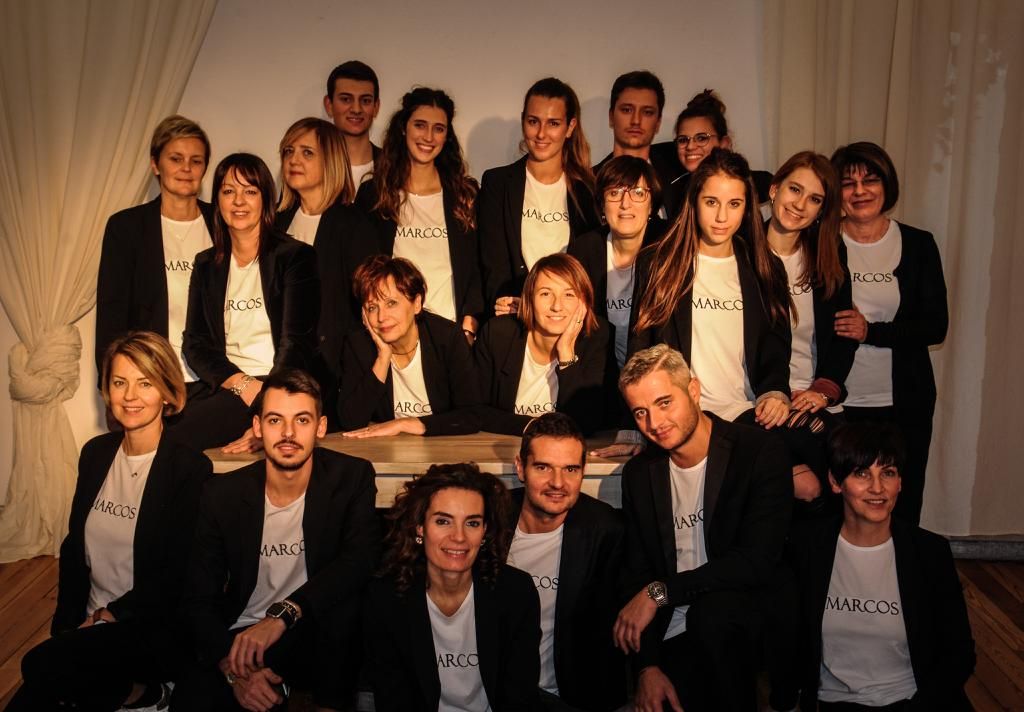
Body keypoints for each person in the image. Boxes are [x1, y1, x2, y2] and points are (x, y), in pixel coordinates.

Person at [10, 332, 212, 712]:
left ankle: (148, 694)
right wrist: (65, 630)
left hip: (147, 625)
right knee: (31, 697)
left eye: (145, 383)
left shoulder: (188, 468)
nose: (130, 395)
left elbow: (176, 574)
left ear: (167, 392)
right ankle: (136, 696)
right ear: (107, 390)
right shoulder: (95, 453)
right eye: (120, 382)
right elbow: (74, 550)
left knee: (38, 666)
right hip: (91, 623)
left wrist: (110, 616)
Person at [173, 369, 379, 712]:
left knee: (345, 614)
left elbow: (360, 560)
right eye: (274, 420)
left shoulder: (351, 477)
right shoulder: (222, 493)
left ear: (321, 427)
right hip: (243, 631)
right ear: (257, 427)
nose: (288, 433)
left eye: (302, 420)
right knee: (191, 699)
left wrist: (285, 614)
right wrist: (233, 670)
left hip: (312, 626)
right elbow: (197, 596)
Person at [613, 344, 792, 712]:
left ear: (693, 390)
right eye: (641, 412)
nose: (655, 423)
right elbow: (638, 575)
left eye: (664, 403)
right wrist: (648, 667)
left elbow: (755, 561)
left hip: (743, 621)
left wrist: (661, 592)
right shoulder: (639, 474)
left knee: (713, 617)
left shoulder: (757, 451)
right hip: (674, 627)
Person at [788, 421, 975, 710]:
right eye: (861, 473)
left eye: (887, 473)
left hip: (914, 701)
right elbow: (787, 643)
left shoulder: (929, 552)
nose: (877, 488)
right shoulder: (807, 548)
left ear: (899, 482)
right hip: (834, 702)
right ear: (836, 482)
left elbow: (959, 653)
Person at [629, 147, 793, 430]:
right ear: (694, 201)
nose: (721, 217)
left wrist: (775, 392)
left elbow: (775, 345)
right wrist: (633, 429)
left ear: (747, 207)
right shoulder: (658, 262)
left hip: (749, 413)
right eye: (711, 202)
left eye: (734, 204)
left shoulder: (765, 266)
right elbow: (640, 349)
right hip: (680, 418)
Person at [830, 142, 948, 525]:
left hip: (904, 401)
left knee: (902, 503)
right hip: (838, 402)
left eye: (870, 180)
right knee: (837, 506)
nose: (860, 191)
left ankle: (903, 565)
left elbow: (936, 325)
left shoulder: (918, 244)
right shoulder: (821, 242)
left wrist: (871, 331)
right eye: (848, 183)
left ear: (887, 185)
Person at [364, 463, 541, 712]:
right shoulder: (386, 598)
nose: (459, 537)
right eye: (443, 521)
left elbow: (519, 696)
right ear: (419, 527)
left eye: (472, 523)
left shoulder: (516, 593)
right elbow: (394, 699)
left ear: (485, 531)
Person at [175, 153, 320, 453]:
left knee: (178, 439)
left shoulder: (295, 257)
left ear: (265, 199)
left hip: (280, 385)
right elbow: (195, 343)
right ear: (217, 201)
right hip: (231, 385)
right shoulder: (206, 264)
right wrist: (241, 383)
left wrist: (269, 409)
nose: (238, 201)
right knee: (163, 427)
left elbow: (296, 345)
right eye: (229, 191)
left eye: (250, 191)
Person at [506, 413, 627, 711]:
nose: (557, 483)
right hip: (494, 694)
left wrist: (655, 596)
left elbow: (646, 592)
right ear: (520, 467)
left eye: (570, 469)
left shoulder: (606, 531)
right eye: (543, 467)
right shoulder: (489, 519)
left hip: (567, 698)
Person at [95, 115, 214, 394]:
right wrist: (111, 383)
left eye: (196, 160)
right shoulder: (126, 227)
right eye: (176, 159)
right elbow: (112, 314)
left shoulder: (223, 223)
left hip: (215, 382)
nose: (186, 168)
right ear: (155, 164)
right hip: (152, 380)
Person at [763, 151, 858, 503]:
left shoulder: (828, 253)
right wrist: (776, 393)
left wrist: (823, 390)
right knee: (814, 486)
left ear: (822, 209)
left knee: (850, 472)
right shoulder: (742, 250)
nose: (800, 205)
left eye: (815, 199)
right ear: (774, 189)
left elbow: (844, 334)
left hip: (815, 399)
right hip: (763, 401)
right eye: (795, 189)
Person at [355, 87, 482, 337]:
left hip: (450, 334)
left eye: (439, 128)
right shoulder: (374, 194)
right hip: (392, 334)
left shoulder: (465, 194)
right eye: (420, 125)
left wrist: (469, 328)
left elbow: (477, 268)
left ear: (447, 136)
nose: (429, 137)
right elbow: (364, 270)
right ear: (404, 128)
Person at [274, 117, 376, 423]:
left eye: (307, 153)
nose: (294, 160)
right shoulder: (276, 222)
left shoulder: (354, 224)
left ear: (330, 160)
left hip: (330, 374)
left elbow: (362, 305)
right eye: (289, 151)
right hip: (276, 362)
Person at [478, 77, 601, 314]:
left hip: (569, 317)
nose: (541, 134)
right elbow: (493, 265)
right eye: (533, 121)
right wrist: (525, 308)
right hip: (512, 315)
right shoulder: (497, 183)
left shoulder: (588, 190)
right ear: (523, 120)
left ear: (570, 127)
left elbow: (589, 268)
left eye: (553, 123)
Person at [338, 255, 481, 437]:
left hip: (443, 447)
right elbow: (350, 421)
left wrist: (406, 424)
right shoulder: (359, 345)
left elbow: (472, 415)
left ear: (417, 303)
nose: (381, 317)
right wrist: (383, 358)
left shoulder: (447, 337)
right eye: (372, 307)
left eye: (391, 303)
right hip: (385, 450)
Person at [475, 253, 609, 436]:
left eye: (569, 295)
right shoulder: (499, 334)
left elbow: (587, 423)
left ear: (583, 302)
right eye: (545, 294)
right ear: (529, 298)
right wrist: (532, 425)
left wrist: (566, 353)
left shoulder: (596, 337)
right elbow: (475, 408)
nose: (557, 306)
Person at [569, 156, 666, 372]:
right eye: (614, 193)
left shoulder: (668, 249)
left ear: (652, 204)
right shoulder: (583, 250)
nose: (625, 203)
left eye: (638, 193)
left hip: (655, 372)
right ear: (602, 205)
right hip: (599, 372)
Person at [660, 90, 772, 221]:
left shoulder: (751, 183)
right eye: (683, 140)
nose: (690, 146)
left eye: (702, 138)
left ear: (724, 143)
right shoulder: (671, 189)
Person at [592, 70, 676, 219]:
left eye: (647, 112)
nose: (636, 120)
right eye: (627, 110)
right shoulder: (589, 182)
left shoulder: (677, 175)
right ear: (611, 117)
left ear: (658, 122)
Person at [323, 60, 381, 187]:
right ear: (329, 105)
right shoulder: (310, 165)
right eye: (346, 99)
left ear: (376, 107)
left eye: (365, 101)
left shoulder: (395, 167)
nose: (356, 109)